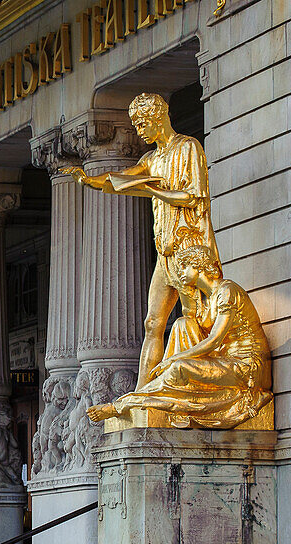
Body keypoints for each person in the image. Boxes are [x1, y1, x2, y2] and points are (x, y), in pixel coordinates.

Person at [64, 92, 222, 390]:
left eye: (140, 124)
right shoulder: (150, 159)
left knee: (196, 319)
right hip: (165, 252)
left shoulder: (188, 148)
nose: (138, 131)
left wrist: (153, 190)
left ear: (157, 118)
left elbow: (192, 196)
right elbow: (120, 179)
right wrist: (88, 180)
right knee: (153, 323)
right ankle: (142, 392)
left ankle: (201, 383)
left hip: (189, 251)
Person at [87, 243, 272, 428]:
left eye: (185, 266)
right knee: (182, 324)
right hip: (226, 361)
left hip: (248, 367)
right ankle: (156, 397)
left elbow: (214, 341)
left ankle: (124, 404)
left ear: (199, 266)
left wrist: (174, 359)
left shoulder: (227, 291)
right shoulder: (207, 301)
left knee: (179, 367)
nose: (181, 271)